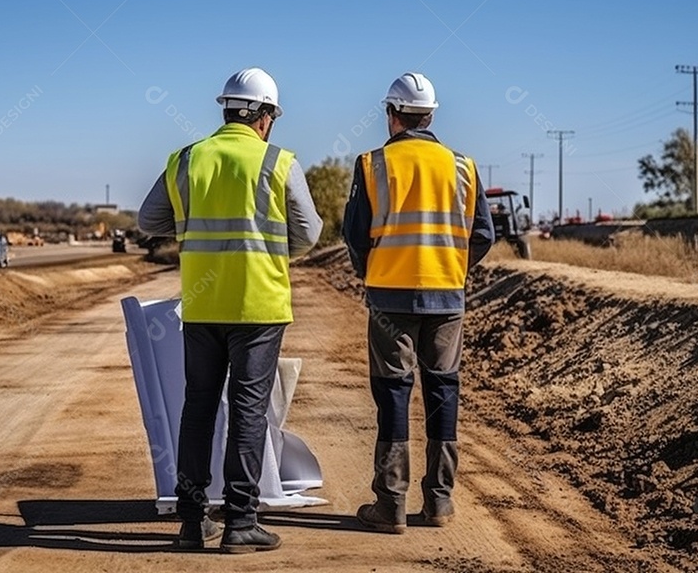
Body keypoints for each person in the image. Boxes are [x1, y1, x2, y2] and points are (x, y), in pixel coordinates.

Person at [138, 67, 322, 553]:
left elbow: (148, 219)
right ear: (265, 117)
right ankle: (241, 521)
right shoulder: (278, 162)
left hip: (201, 305)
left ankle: (193, 520)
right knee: (248, 410)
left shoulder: (187, 160)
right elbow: (309, 233)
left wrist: (194, 229)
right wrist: (269, 250)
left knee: (197, 406)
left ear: (226, 110)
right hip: (259, 306)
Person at [341, 72, 494, 534]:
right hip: (448, 297)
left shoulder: (372, 164)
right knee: (443, 390)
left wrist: (373, 272)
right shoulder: (463, 166)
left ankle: (390, 504)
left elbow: (354, 234)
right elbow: (483, 234)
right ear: (430, 116)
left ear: (392, 116)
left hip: (389, 299)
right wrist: (453, 268)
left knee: (393, 392)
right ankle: (439, 502)